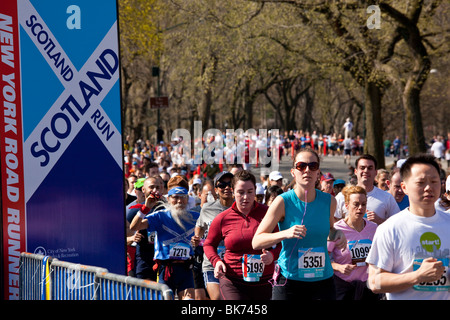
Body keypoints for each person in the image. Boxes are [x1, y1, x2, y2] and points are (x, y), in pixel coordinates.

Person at [252, 148, 346, 300]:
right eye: (301, 166)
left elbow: (329, 230)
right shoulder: (282, 202)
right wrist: (286, 233)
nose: (307, 170)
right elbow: (257, 241)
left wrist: (338, 234)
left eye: (313, 166)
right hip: (289, 281)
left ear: (318, 173)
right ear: (293, 172)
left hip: (323, 280)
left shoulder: (329, 201)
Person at [367, 154, 450, 300]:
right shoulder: (390, 228)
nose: (429, 187)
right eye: (421, 182)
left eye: (434, 181)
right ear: (404, 187)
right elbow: (374, 283)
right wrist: (417, 276)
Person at [203, 170, 281, 300]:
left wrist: (272, 255)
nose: (245, 197)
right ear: (233, 191)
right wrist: (216, 261)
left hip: (264, 281)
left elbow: (282, 243)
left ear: (255, 191)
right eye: (240, 192)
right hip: (233, 282)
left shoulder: (268, 213)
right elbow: (209, 244)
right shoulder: (223, 218)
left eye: (250, 192)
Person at [130, 178, 200, 300]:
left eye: (182, 197)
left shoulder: (195, 217)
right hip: (166, 269)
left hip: (186, 268)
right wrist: (145, 208)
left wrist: (199, 240)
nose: (179, 201)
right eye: (175, 197)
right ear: (168, 199)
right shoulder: (160, 216)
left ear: (187, 199)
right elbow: (134, 226)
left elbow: (209, 233)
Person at [328, 186, 380, 300]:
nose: (360, 208)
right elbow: (323, 258)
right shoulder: (336, 229)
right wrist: (338, 267)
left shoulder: (374, 228)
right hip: (343, 287)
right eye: (356, 204)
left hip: (368, 288)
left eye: (363, 204)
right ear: (346, 206)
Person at [192, 171, 235, 300]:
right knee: (217, 298)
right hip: (211, 263)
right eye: (222, 185)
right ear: (216, 190)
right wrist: (197, 238)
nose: (227, 187)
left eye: (230, 184)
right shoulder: (207, 208)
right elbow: (199, 226)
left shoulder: (241, 207)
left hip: (234, 263)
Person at [335, 154, 400, 224]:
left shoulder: (387, 197)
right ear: (356, 171)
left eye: (370, 168)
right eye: (362, 168)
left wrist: (380, 221)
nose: (366, 171)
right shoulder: (342, 196)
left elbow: (397, 224)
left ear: (375, 172)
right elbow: (333, 224)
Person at [126, 176, 164, 280]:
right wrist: (131, 238)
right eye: (151, 187)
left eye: (158, 187)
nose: (155, 190)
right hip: (144, 258)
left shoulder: (167, 207)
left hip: (164, 257)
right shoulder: (134, 209)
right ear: (143, 190)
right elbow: (120, 234)